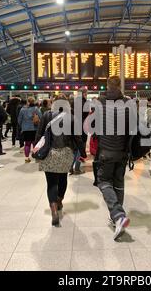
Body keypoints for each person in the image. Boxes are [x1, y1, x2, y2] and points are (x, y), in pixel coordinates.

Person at [35, 94, 86, 227]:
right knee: (63, 178)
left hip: (49, 153)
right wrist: (83, 152)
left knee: (51, 183)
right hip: (66, 153)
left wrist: (35, 150)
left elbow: (39, 134)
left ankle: (53, 210)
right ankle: (59, 200)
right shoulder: (72, 118)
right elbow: (78, 138)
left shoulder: (46, 115)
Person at [95, 77, 133, 240]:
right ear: (120, 86)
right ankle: (117, 217)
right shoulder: (128, 104)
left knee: (103, 181)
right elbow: (133, 128)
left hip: (106, 150)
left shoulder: (100, 103)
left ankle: (118, 216)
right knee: (118, 183)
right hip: (123, 151)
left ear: (107, 86)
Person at [70, 87, 89, 175]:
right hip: (82, 127)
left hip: (74, 127)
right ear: (84, 94)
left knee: (75, 148)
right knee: (81, 148)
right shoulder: (85, 103)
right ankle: (76, 168)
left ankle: (70, 167)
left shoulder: (73, 102)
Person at [18, 97, 42, 163]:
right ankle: (36, 158)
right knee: (35, 144)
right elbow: (41, 117)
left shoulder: (22, 110)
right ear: (34, 102)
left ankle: (27, 158)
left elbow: (19, 120)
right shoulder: (36, 109)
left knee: (27, 144)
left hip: (26, 129)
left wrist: (22, 126)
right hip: (35, 128)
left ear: (27, 102)